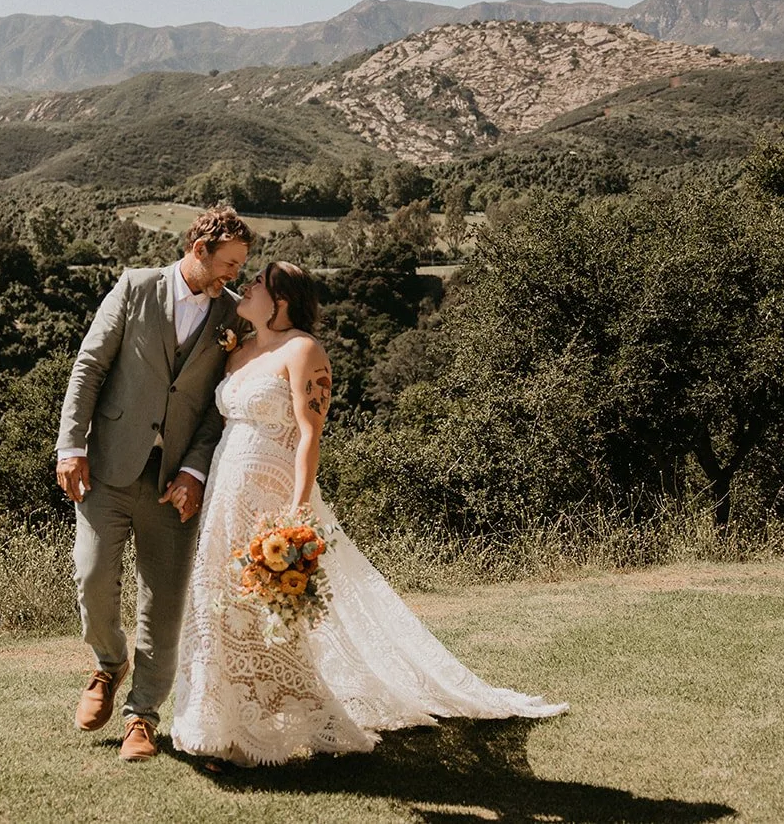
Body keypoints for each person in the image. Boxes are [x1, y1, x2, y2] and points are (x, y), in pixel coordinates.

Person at [171, 261, 567, 767]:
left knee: (269, 609)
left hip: (271, 496)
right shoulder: (241, 350)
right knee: (219, 601)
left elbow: (309, 434)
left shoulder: (303, 349)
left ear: (281, 301)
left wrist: (296, 508)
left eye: (256, 284)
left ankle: (269, 722)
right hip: (228, 487)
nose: (245, 288)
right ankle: (215, 720)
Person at [56, 206, 253, 761]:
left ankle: (141, 715)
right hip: (109, 466)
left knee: (162, 604)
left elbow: (221, 406)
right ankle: (108, 663)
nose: (234, 275)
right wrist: (71, 446)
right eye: (229, 263)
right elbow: (89, 366)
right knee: (93, 579)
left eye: (241, 265)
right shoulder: (135, 287)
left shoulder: (234, 317)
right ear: (199, 249)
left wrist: (194, 468)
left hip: (175, 484)